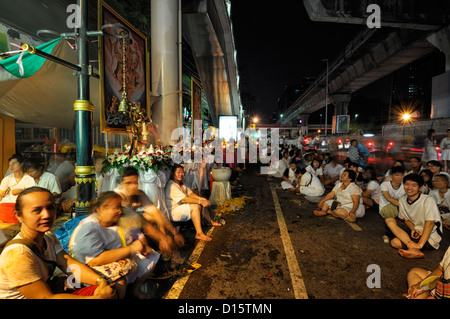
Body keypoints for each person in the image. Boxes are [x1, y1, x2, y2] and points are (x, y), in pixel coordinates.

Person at [0, 187, 115, 299]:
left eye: (50, 208)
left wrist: (100, 281)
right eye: (37, 210)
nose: (46, 215)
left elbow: (69, 264)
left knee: (112, 283)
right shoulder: (17, 255)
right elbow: (45, 297)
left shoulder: (48, 237)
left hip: (48, 289)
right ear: (18, 215)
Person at [69, 191, 159, 299]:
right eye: (115, 208)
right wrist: (132, 248)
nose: (120, 211)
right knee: (119, 281)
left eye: (120, 207)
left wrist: (143, 247)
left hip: (113, 260)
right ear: (101, 210)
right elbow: (95, 260)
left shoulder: (119, 219)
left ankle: (134, 291)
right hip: (87, 269)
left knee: (151, 256)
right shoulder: (89, 227)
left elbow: (138, 234)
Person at [115, 167, 185, 256]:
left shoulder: (139, 193)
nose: (132, 186)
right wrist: (162, 238)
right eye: (128, 183)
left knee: (152, 216)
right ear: (122, 183)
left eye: (135, 182)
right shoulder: (118, 196)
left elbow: (155, 212)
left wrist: (174, 233)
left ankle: (162, 248)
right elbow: (141, 223)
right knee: (142, 222)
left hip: (134, 224)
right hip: (118, 229)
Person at [384, 173, 442, 259]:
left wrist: (420, 245)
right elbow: (405, 219)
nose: (409, 188)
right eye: (407, 184)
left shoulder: (428, 200)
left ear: (420, 188)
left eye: (414, 185)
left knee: (395, 242)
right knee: (389, 220)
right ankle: (412, 248)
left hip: (429, 236)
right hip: (416, 232)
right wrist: (413, 229)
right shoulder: (403, 200)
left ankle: (416, 248)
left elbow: (430, 223)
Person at [165, 165, 222, 242]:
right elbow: (184, 200)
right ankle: (199, 233)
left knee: (202, 201)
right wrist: (199, 201)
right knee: (195, 206)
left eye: (182, 172)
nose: (181, 174)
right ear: (173, 174)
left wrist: (202, 199)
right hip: (174, 211)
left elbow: (190, 194)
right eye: (178, 172)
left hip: (181, 208)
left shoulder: (181, 183)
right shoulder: (171, 185)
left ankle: (210, 222)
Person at [0, 155, 35, 223]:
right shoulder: (7, 179)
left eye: (14, 163)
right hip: (7, 204)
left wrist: (21, 190)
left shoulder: (29, 178)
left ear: (21, 164)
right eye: (9, 165)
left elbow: (32, 193)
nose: (11, 166)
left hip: (22, 203)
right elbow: (0, 194)